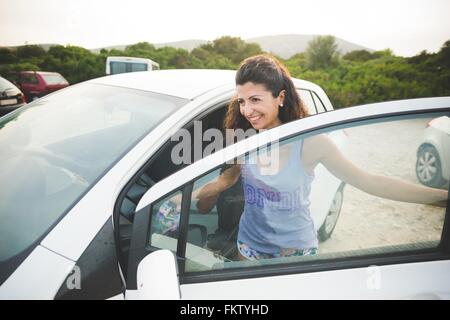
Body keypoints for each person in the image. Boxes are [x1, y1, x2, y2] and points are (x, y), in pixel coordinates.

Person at [194, 54, 449, 261]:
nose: (247, 110)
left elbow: (369, 181)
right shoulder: (246, 140)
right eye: (242, 101)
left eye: (255, 100)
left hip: (294, 252)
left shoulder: (310, 143)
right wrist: (187, 194)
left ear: (280, 97)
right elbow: (224, 181)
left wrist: (440, 197)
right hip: (248, 246)